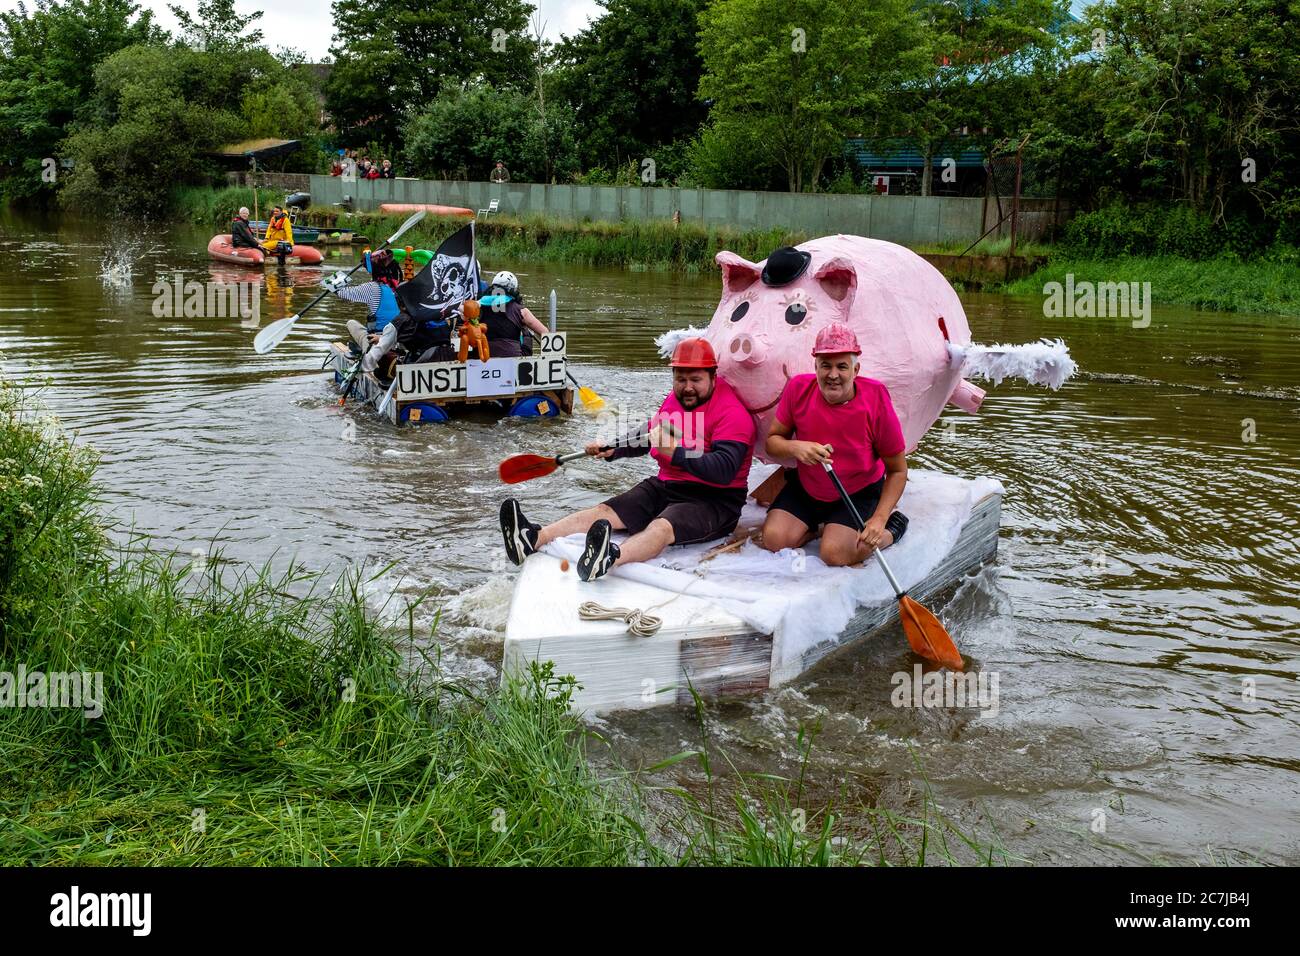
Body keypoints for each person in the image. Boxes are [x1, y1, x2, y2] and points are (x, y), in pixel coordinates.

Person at [499, 338, 757, 582]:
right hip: (667, 485)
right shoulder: (677, 399)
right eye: (680, 379)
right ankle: (532, 538)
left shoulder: (733, 414)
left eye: (695, 380)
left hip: (714, 499)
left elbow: (724, 469)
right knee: (604, 511)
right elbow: (648, 433)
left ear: (713, 376)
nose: (687, 387)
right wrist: (614, 448)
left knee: (661, 527)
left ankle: (610, 557)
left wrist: (678, 452)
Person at [760, 323, 909, 566]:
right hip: (809, 486)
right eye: (825, 366)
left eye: (842, 366)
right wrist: (796, 447)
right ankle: (822, 526)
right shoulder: (798, 388)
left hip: (858, 491)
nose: (833, 375)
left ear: (856, 369)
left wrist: (880, 519)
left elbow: (898, 470)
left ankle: (894, 529)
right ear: (815, 366)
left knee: (834, 554)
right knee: (774, 540)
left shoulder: (876, 397)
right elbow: (772, 442)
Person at [323, 249, 404, 372]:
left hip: (380, 343)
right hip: (397, 340)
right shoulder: (395, 287)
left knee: (351, 323)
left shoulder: (372, 288)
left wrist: (336, 277)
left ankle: (363, 351)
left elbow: (341, 292)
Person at [477, 270, 547, 357]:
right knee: (526, 331)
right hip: (513, 357)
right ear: (514, 290)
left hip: (483, 356)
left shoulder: (478, 305)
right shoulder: (521, 310)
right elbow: (545, 333)